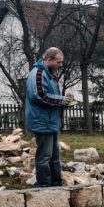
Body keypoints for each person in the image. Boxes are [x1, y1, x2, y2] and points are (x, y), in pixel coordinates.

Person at [26, 47, 74, 187]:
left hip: (50, 122)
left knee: (55, 156)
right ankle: (44, 185)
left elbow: (50, 97)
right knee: (44, 156)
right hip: (42, 122)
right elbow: (39, 95)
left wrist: (64, 101)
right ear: (48, 60)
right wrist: (61, 100)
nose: (60, 65)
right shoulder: (38, 74)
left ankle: (56, 183)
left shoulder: (51, 74)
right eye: (58, 62)